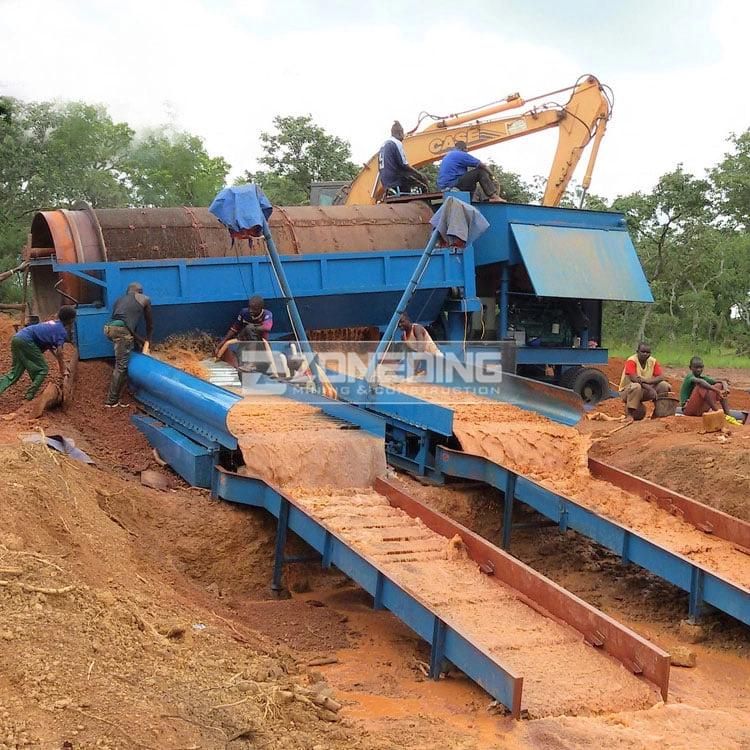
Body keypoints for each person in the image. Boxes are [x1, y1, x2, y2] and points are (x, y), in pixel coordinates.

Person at [0, 305, 76, 401]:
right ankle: (29, 396)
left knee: (15, 373)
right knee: (43, 369)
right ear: (70, 320)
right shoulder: (61, 331)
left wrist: (62, 364)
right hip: (26, 341)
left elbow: (50, 347)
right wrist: (62, 370)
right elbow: (60, 352)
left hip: (17, 338)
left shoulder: (54, 324)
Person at [104, 282, 154, 407]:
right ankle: (111, 401)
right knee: (121, 366)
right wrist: (148, 340)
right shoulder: (145, 299)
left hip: (109, 329)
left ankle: (117, 396)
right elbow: (150, 324)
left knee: (123, 361)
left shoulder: (119, 300)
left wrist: (140, 341)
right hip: (122, 332)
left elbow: (125, 325)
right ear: (140, 291)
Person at [437, 141, 505, 202]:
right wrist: (492, 175)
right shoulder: (460, 154)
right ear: (464, 149)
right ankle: (494, 196)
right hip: (452, 184)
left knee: (472, 182)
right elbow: (482, 165)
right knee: (480, 172)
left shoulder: (449, 155)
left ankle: (472, 200)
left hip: (444, 186)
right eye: (466, 151)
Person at [216, 296, 273, 368]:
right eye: (250, 308)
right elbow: (235, 328)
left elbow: (267, 327)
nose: (251, 311)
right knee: (240, 357)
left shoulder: (267, 314)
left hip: (260, 343)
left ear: (261, 308)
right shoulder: (244, 313)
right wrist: (222, 343)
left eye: (254, 309)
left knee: (249, 327)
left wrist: (251, 329)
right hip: (244, 340)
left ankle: (251, 363)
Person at [618, 342, 670, 419]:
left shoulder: (653, 361)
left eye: (647, 352)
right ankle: (629, 415)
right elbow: (634, 379)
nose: (645, 354)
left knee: (664, 385)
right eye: (643, 352)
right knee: (636, 386)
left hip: (644, 389)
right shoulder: (631, 361)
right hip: (627, 391)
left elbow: (661, 377)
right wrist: (650, 388)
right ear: (637, 352)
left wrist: (647, 381)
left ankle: (658, 413)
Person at [378, 121, 429, 195]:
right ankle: (426, 200)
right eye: (403, 134)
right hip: (395, 180)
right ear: (400, 133)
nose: (403, 137)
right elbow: (404, 165)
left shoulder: (384, 145)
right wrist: (419, 174)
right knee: (423, 179)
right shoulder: (396, 143)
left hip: (385, 181)